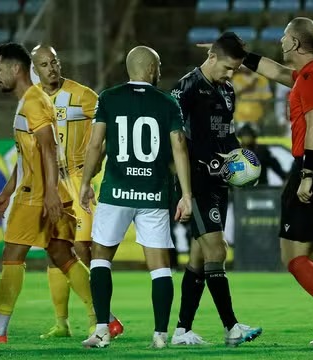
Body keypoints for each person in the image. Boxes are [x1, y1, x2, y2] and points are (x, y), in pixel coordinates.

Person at [0, 43, 95, 343]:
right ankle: (104, 318)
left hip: (37, 194)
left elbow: (48, 147)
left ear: (15, 69)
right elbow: (28, 155)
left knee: (12, 255)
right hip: (42, 189)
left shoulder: (32, 101)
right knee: (63, 254)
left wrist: (48, 193)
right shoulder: (32, 99)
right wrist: (7, 191)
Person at [239, 17, 313, 346]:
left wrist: (307, 175)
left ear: (294, 43)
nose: (280, 41)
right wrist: (241, 56)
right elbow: (277, 73)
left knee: (292, 256)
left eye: (284, 37)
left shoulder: (309, 79)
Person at [79, 46, 192, 349]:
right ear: (153, 68)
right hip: (154, 193)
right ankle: (160, 335)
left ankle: (102, 329)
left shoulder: (109, 97)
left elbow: (95, 145)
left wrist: (86, 181)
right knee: (160, 266)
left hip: (116, 191)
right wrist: (187, 195)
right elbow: (179, 145)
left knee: (101, 259)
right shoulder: (167, 102)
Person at [170, 32, 263, 347]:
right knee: (217, 250)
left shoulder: (227, 90)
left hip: (219, 182)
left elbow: (228, 139)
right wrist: (184, 190)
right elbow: (176, 141)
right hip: (196, 181)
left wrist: (242, 167)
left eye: (234, 70)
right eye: (227, 67)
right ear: (211, 57)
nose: (230, 74)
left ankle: (182, 331)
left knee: (199, 258)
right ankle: (232, 328)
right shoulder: (186, 89)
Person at [30, 44, 124, 340]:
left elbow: (110, 130)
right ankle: (62, 323)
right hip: (51, 184)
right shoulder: (32, 100)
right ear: (36, 69)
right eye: (45, 64)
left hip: (78, 179)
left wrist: (94, 168)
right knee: (54, 250)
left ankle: (100, 319)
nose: (52, 68)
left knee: (83, 247)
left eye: (55, 61)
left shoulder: (83, 95)